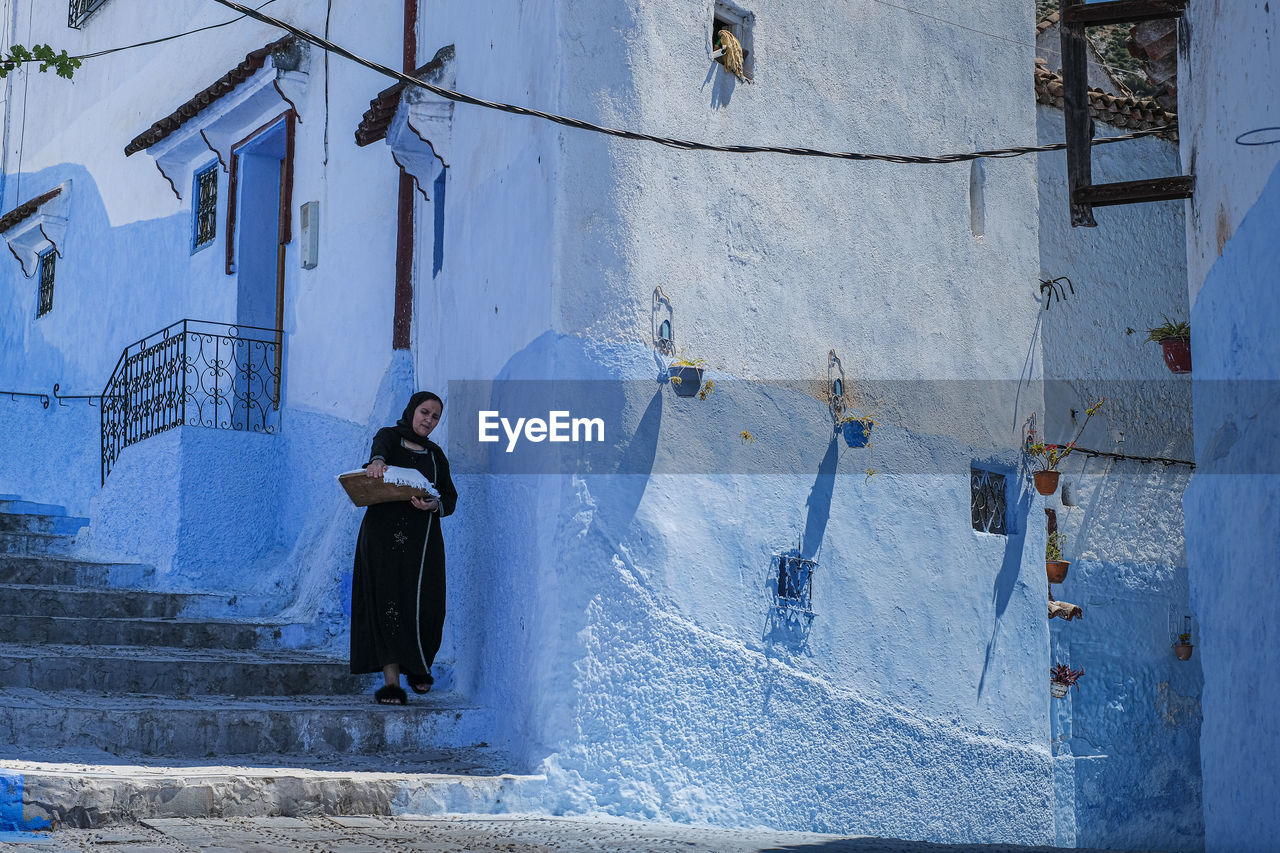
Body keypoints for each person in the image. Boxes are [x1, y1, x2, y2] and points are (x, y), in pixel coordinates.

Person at [350, 391, 457, 705]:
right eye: (425, 412)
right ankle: (392, 683)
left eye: (435, 417)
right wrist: (377, 463)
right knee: (388, 604)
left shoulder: (436, 455)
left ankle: (419, 664)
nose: (428, 420)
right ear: (412, 411)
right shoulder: (390, 437)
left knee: (427, 602)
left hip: (423, 544)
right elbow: (379, 454)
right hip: (383, 539)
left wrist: (434, 504)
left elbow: (450, 498)